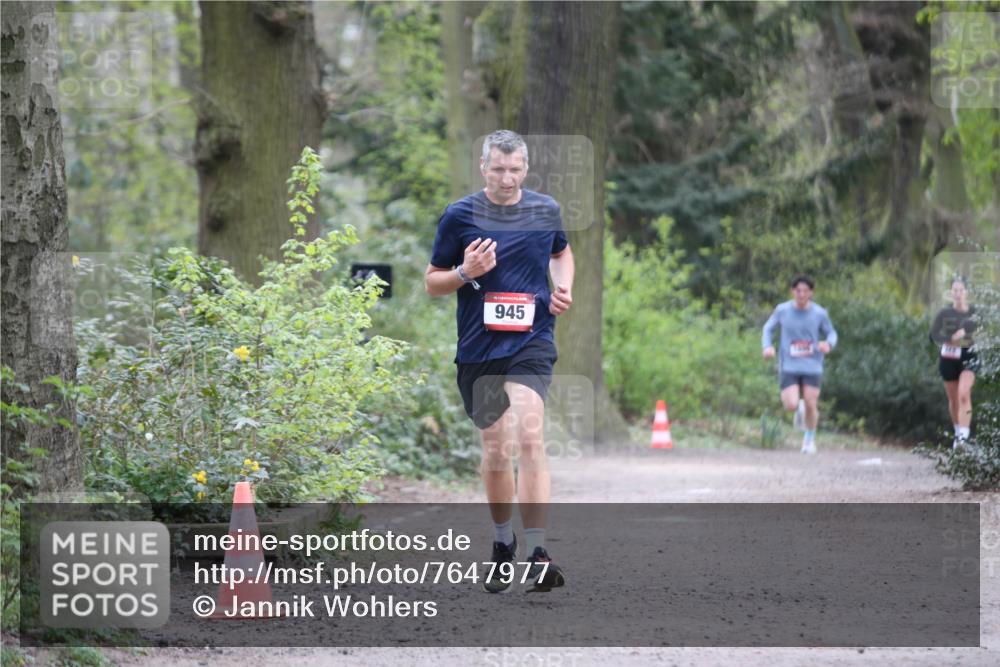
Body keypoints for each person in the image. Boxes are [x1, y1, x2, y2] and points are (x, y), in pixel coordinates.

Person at [425, 129, 573, 593]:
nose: (507, 178)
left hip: (532, 340)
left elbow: (562, 251)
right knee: (496, 447)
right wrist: (467, 272)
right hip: (478, 348)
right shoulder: (460, 216)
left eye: (515, 170)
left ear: (525, 169)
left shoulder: (545, 210)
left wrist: (564, 286)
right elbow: (432, 281)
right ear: (484, 168)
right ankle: (502, 542)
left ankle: (538, 551)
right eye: (498, 169)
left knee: (530, 432)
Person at [761, 276, 838, 454]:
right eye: (798, 290)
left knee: (812, 402)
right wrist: (767, 346)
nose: (801, 294)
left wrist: (828, 344)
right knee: (791, 405)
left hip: (812, 364)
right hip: (789, 364)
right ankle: (799, 407)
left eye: (805, 291)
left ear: (811, 292)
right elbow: (768, 328)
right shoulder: (782, 310)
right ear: (792, 291)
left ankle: (809, 440)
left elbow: (832, 333)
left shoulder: (819, 313)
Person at [929, 277, 979, 449]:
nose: (957, 294)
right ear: (951, 293)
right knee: (953, 398)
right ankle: (958, 433)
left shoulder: (974, 311)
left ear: (967, 293)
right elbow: (933, 335)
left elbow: (981, 325)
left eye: (961, 290)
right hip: (948, 358)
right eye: (954, 290)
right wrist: (949, 338)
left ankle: (963, 439)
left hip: (968, 356)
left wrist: (966, 331)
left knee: (964, 393)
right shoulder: (944, 313)